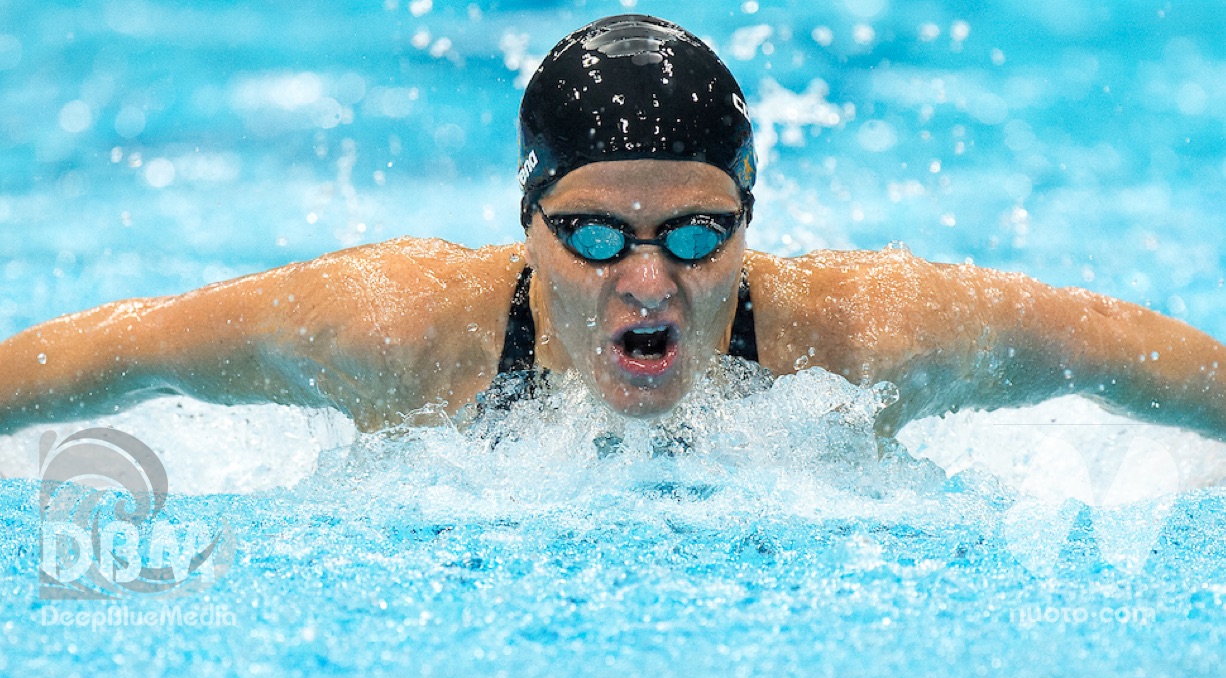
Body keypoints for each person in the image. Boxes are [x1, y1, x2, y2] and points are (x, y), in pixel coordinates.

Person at [1, 14, 1225, 442]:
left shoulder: (855, 339)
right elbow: (121, 348)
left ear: (750, 223)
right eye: (594, 235)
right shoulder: (395, 330)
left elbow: (1110, 347)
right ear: (525, 220)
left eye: (694, 235)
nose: (648, 281)